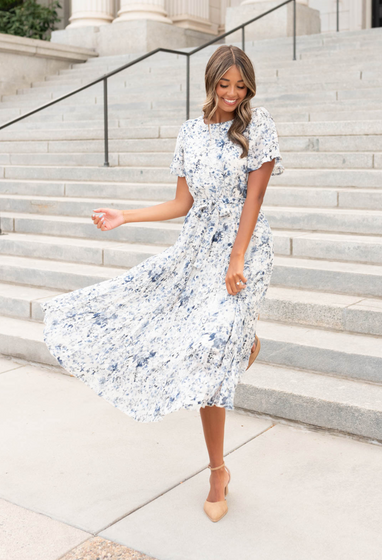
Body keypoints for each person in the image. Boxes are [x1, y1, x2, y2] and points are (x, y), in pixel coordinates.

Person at [41, 44, 284, 523]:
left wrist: (237, 259)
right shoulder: (190, 134)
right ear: (211, 83)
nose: (233, 94)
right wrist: (124, 216)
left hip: (243, 247)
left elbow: (254, 200)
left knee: (212, 348)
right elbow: (180, 204)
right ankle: (220, 467)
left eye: (241, 86)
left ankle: (236, 340)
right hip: (195, 251)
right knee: (168, 327)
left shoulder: (258, 128)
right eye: (224, 84)